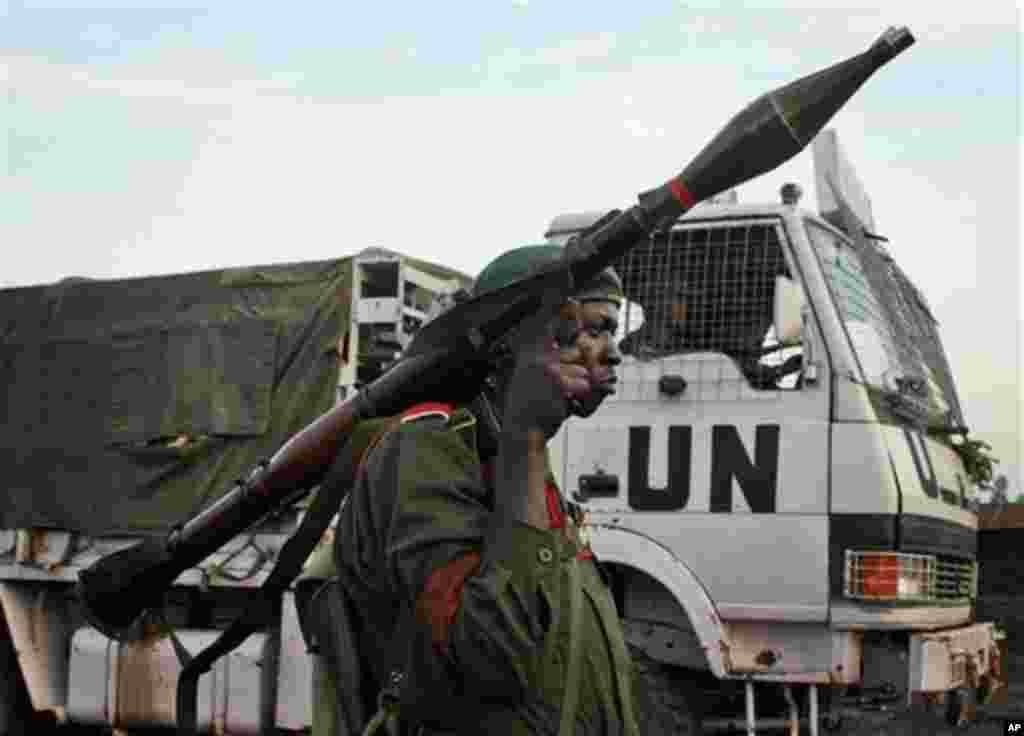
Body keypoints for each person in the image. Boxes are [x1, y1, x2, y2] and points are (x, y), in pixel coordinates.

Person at [302, 243, 640, 736]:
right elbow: (485, 656)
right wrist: (526, 437)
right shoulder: (427, 449)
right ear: (512, 345)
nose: (613, 351)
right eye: (593, 329)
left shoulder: (507, 452)